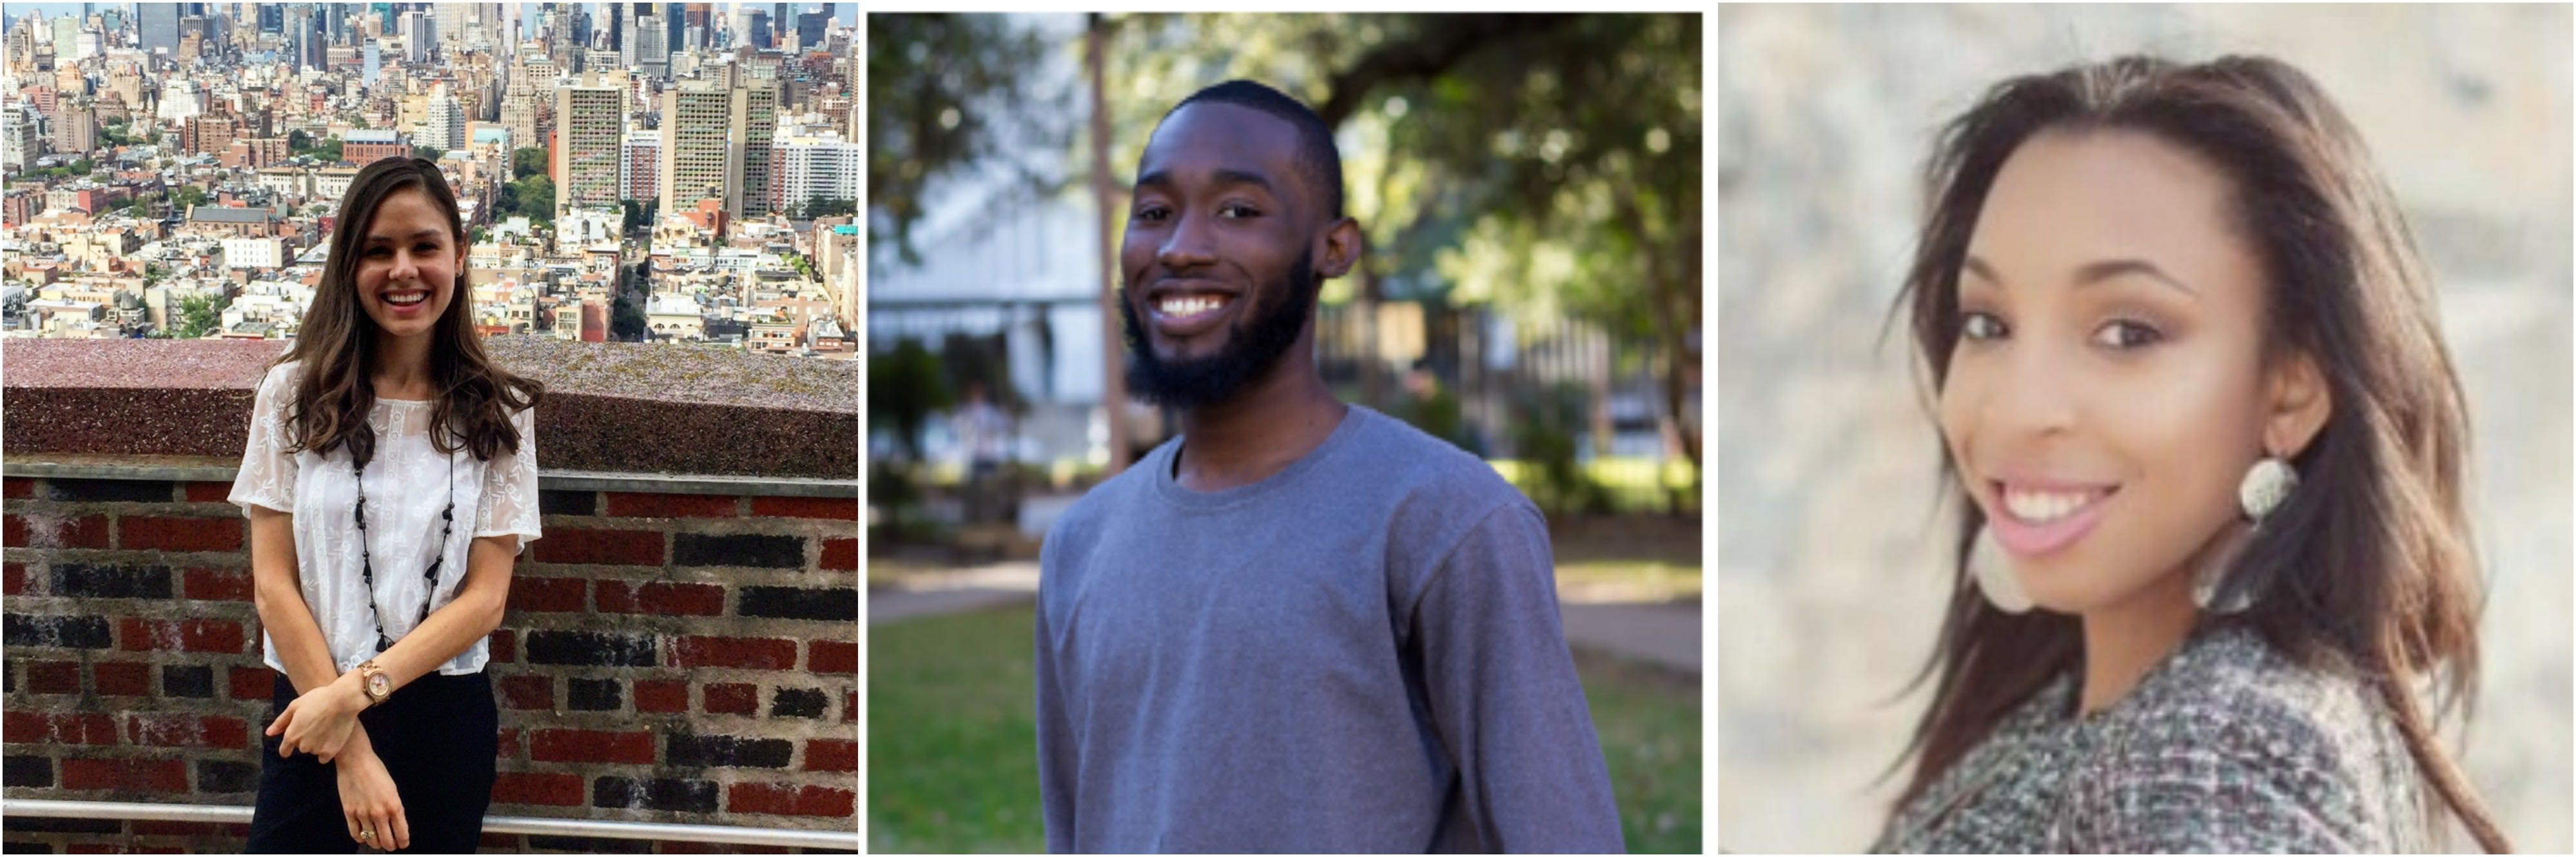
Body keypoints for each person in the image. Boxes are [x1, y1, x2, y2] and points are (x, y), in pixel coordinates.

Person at [1872, 55, 2510, 852]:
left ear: (2291, 393)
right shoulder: (2095, 699)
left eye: (2128, 333)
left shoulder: (2209, 759)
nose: (2018, 407)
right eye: (1988, 325)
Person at [1033, 79, 1624, 854]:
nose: (1180, 246)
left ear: (1334, 247)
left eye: (1239, 211)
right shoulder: (1080, 544)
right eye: (1153, 213)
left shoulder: (1448, 519)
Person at [230, 157, 544, 853]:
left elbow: (486, 599)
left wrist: (351, 698)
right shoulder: (290, 395)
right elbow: (273, 584)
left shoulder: (499, 414)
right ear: (349, 265)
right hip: (310, 712)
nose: (403, 270)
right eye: (379, 251)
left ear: (459, 257)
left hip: (438, 719)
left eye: (424, 247)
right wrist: (349, 747)